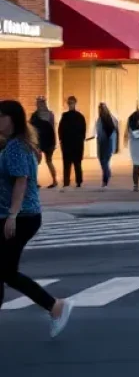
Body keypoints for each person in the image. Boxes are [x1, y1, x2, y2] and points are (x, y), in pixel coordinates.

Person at [0, 100, 73, 337]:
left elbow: (21, 181)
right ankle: (54, 306)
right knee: (4, 270)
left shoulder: (16, 147)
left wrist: (12, 215)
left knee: (7, 272)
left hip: (21, 216)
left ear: (13, 119)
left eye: (1, 116)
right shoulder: (13, 144)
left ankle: (54, 306)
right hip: (16, 215)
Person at [58, 96, 87, 189]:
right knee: (67, 163)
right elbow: (60, 129)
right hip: (67, 144)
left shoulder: (80, 116)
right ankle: (66, 181)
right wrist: (61, 140)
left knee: (77, 163)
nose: (70, 104)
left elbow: (83, 131)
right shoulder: (65, 116)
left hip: (77, 144)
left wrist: (81, 140)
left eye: (72, 103)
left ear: (75, 103)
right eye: (69, 103)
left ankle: (79, 181)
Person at [30, 97, 58, 189]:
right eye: (38, 103)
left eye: (40, 103)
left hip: (48, 141)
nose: (39, 105)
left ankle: (54, 180)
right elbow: (31, 129)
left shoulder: (50, 115)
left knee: (48, 161)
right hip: (38, 142)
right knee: (36, 162)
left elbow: (53, 128)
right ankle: (35, 182)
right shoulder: (35, 115)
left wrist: (54, 142)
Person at [94, 103, 119, 188]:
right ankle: (107, 174)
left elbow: (100, 132)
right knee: (106, 161)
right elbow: (116, 131)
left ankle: (105, 179)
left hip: (103, 143)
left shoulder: (101, 119)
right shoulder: (112, 118)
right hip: (109, 143)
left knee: (103, 161)